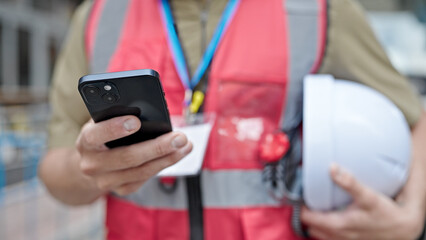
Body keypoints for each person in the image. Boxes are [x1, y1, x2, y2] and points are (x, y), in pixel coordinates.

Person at [39, 0, 426, 239]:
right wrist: (88, 169)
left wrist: (411, 215)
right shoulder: (98, 15)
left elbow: (416, 119)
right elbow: (55, 170)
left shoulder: (320, 9)